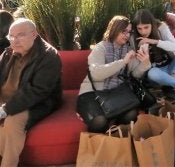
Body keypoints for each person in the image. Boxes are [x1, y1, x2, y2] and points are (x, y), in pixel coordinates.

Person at [0, 18, 62, 166]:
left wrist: (5, 109)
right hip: (7, 98)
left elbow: (37, 91)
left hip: (37, 102)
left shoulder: (49, 56)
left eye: (20, 35)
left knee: (12, 123)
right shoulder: (9, 52)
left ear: (33, 34)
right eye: (11, 36)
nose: (15, 41)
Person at [76, 16, 150, 133]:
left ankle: (118, 142)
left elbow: (135, 74)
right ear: (114, 30)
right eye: (123, 31)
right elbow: (96, 74)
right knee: (99, 121)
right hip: (92, 93)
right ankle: (99, 148)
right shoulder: (101, 48)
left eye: (129, 32)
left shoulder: (128, 50)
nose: (127, 35)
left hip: (116, 94)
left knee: (131, 115)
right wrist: (123, 62)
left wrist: (145, 64)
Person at [132, 9, 175, 103]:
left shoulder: (161, 28)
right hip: (156, 75)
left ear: (152, 24)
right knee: (152, 73)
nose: (143, 32)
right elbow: (136, 73)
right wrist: (144, 59)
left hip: (171, 68)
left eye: (146, 27)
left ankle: (171, 81)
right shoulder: (134, 38)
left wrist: (154, 41)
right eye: (139, 28)